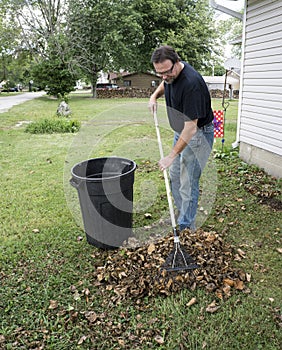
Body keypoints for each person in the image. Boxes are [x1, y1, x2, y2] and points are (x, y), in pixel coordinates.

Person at [149, 45, 214, 231]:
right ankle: (182, 213)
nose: (163, 76)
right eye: (158, 73)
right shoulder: (170, 75)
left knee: (188, 182)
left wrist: (171, 155)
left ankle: (186, 227)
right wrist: (154, 97)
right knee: (175, 176)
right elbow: (165, 84)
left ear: (177, 63)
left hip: (198, 136)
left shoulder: (191, 84)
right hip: (182, 132)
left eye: (166, 72)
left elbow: (191, 128)